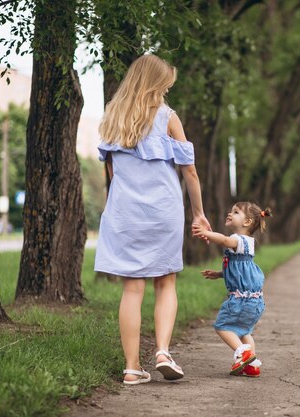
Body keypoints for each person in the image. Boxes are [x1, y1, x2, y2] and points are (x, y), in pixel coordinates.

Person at [94, 54, 211, 385]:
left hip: (125, 212)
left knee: (132, 287)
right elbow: (189, 171)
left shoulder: (112, 118)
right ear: (157, 84)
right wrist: (199, 213)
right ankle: (162, 351)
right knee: (166, 280)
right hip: (163, 209)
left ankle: (131, 368)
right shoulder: (168, 117)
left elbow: (113, 172)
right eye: (165, 84)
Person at [193, 202, 272, 378]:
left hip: (240, 301)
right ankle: (251, 366)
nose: (230, 214)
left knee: (222, 326)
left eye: (236, 212)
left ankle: (242, 353)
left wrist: (206, 233)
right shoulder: (248, 244)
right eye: (231, 211)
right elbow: (240, 271)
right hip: (255, 300)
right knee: (245, 332)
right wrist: (220, 274)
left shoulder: (238, 240)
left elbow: (224, 240)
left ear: (247, 222)